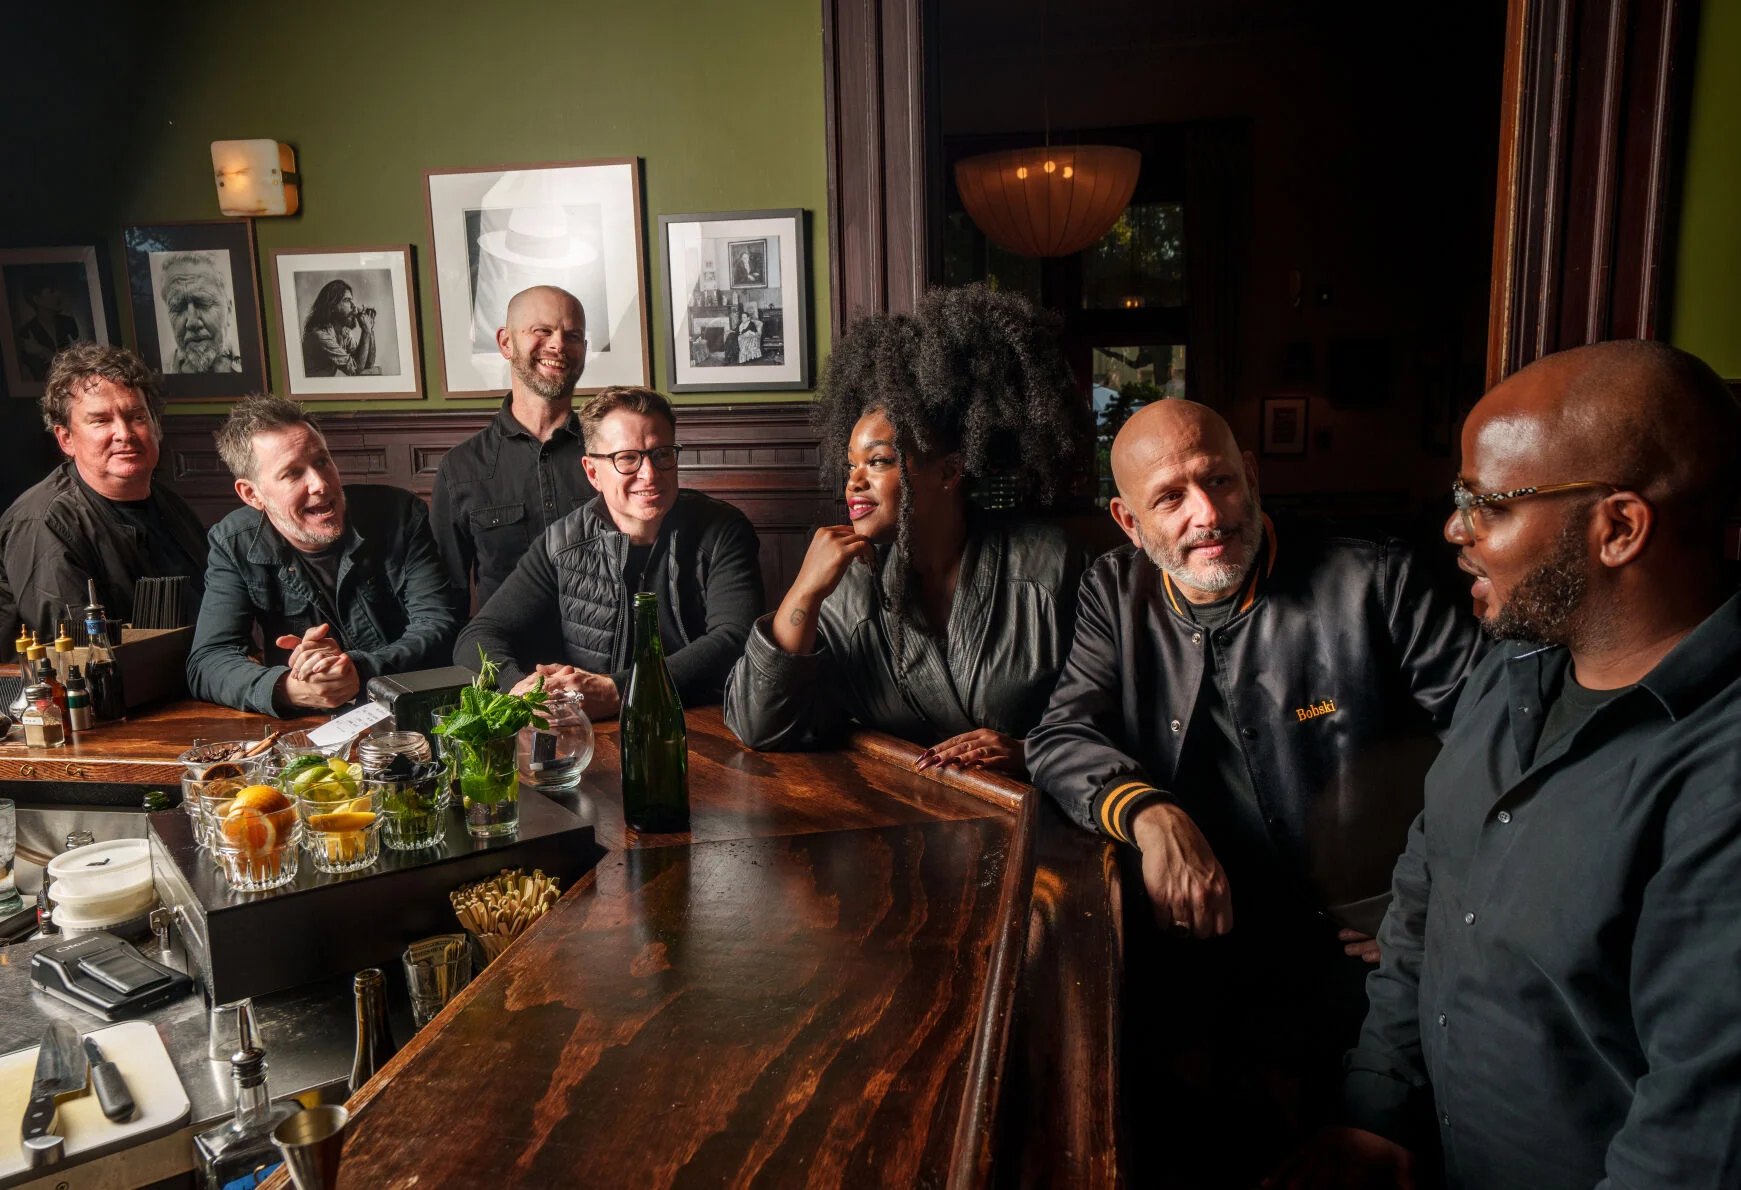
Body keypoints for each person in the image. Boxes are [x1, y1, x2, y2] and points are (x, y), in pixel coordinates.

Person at [1270, 342, 1741, 1190]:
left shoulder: (1718, 777)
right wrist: (1379, 1113)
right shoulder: (1511, 663)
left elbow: (1693, 1140)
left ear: (1619, 528)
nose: (1454, 530)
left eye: (1485, 504)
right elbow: (1425, 889)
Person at [1025, 398, 1482, 1182]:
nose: (1207, 514)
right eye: (1169, 498)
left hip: (1362, 944)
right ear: (1128, 523)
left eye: (1221, 482)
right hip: (1204, 936)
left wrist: (1425, 910)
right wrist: (1149, 813)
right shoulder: (1113, 590)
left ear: (1252, 478)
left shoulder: (1375, 578)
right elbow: (1060, 735)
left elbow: (1489, 747)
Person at [725, 284, 1089, 777]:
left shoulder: (1049, 565)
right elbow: (758, 725)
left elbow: (1112, 716)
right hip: (901, 820)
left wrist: (1031, 752)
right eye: (850, 463)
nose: (853, 480)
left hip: (1040, 818)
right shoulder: (849, 583)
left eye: (879, 461)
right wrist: (805, 592)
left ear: (950, 471)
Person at [455, 385, 761, 718]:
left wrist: (619, 689)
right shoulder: (561, 542)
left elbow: (736, 637)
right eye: (627, 458)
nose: (650, 474)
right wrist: (521, 687)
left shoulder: (723, 529)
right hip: (598, 733)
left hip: (702, 718)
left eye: (662, 454)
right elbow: (478, 635)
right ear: (592, 472)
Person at [186, 395, 457, 714]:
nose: (320, 484)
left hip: (413, 709)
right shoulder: (234, 542)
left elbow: (439, 624)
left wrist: (356, 669)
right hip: (308, 728)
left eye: (322, 461)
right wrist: (287, 687)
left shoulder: (399, 514)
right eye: (292, 473)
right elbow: (207, 661)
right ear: (252, 494)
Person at [0, 343, 208, 654]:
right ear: (66, 438)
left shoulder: (169, 504)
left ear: (155, 427)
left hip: (183, 677)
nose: (124, 433)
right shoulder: (45, 521)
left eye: (137, 417)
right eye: (101, 421)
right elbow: (81, 656)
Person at [429, 285, 596, 613]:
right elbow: (445, 603)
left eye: (573, 336)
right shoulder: (460, 469)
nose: (558, 344)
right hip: (508, 660)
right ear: (506, 342)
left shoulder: (615, 455)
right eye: (542, 330)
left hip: (605, 661)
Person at [161, 252, 241, 374]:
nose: (192, 323)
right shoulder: (156, 374)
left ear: (229, 311)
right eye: (177, 307)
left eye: (204, 303)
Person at [300, 279, 378, 377]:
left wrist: (369, 329)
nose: (354, 306)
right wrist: (366, 331)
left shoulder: (344, 331)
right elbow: (356, 368)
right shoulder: (320, 335)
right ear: (332, 306)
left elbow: (368, 363)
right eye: (347, 300)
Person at [15, 272, 81, 382]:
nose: (58, 294)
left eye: (57, 290)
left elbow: (80, 362)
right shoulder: (27, 332)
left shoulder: (68, 323)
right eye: (51, 291)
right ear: (36, 299)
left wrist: (46, 353)